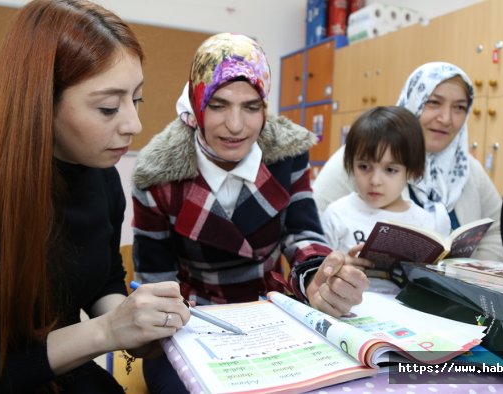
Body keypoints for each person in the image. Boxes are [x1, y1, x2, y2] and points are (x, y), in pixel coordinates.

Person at [0, 1, 190, 392]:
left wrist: (131, 323)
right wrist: (107, 332)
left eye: (136, 99)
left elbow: (104, 275)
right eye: (107, 107)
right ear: (40, 103)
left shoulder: (98, 174)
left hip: (56, 369)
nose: (133, 124)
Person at [131, 33, 369, 392]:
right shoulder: (157, 178)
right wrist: (171, 319)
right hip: (191, 323)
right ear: (197, 104)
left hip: (272, 313)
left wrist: (320, 275)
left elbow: (302, 234)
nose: (236, 125)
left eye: (252, 107)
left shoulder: (287, 156)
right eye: (219, 105)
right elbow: (156, 281)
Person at [313, 62, 503, 263]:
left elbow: (501, 229)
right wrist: (336, 266)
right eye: (433, 102)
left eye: (459, 107)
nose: (446, 118)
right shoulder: (361, 157)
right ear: (413, 100)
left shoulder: (467, 169)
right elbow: (313, 230)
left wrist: (473, 276)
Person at [320, 106, 439, 294]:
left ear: (412, 171)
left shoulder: (423, 221)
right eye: (364, 166)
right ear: (351, 164)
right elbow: (316, 278)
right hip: (347, 310)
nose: (375, 181)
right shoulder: (337, 213)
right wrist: (337, 266)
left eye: (390, 170)